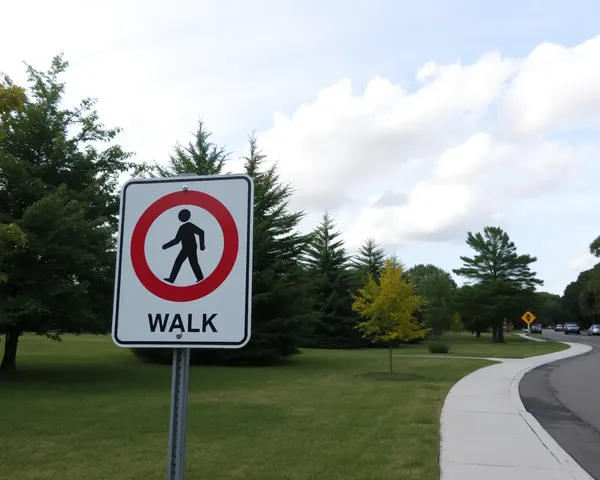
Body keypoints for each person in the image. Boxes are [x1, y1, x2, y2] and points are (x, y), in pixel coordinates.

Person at [162, 208, 205, 284]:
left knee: (180, 262)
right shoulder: (182, 227)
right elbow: (177, 240)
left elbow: (201, 232)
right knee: (192, 262)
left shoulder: (189, 225)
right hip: (186, 248)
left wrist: (202, 245)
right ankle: (200, 278)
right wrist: (166, 246)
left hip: (189, 248)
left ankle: (172, 279)